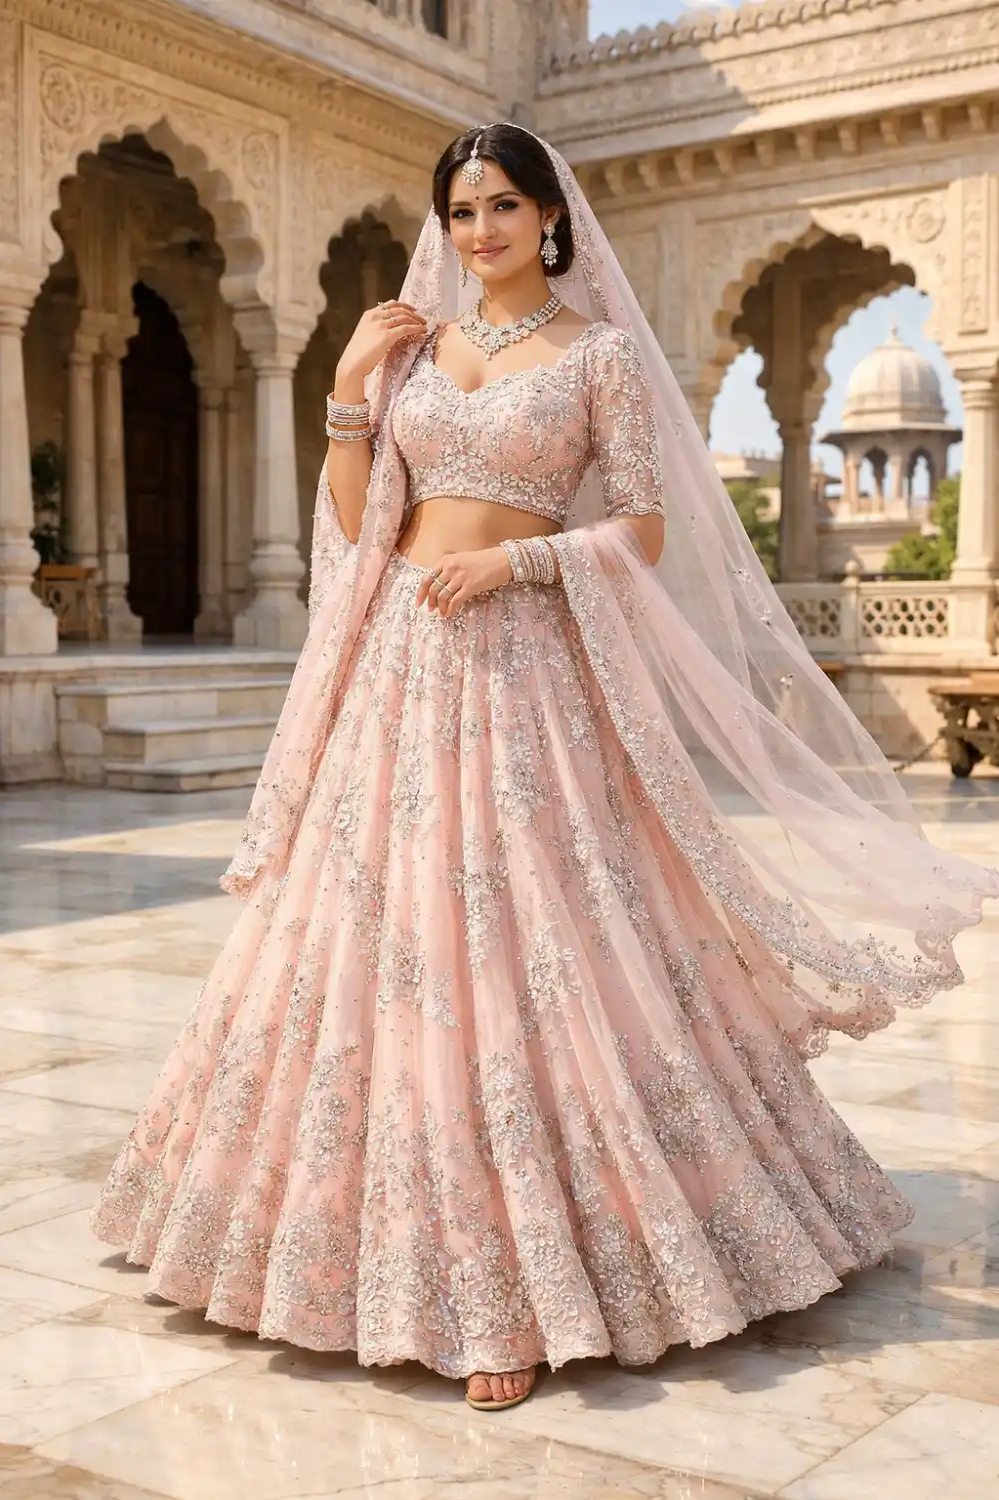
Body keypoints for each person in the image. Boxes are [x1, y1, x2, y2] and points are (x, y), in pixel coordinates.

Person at [91, 124, 999, 1415]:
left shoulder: (599, 354)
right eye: (461, 212)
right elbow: (356, 527)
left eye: (504, 206)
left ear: (551, 216)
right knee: (385, 945)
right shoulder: (411, 348)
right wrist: (349, 389)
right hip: (402, 667)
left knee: (530, 944)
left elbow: (641, 530)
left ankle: (523, 1291)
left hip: (529, 673)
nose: (481, 232)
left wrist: (517, 562)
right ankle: (362, 1257)